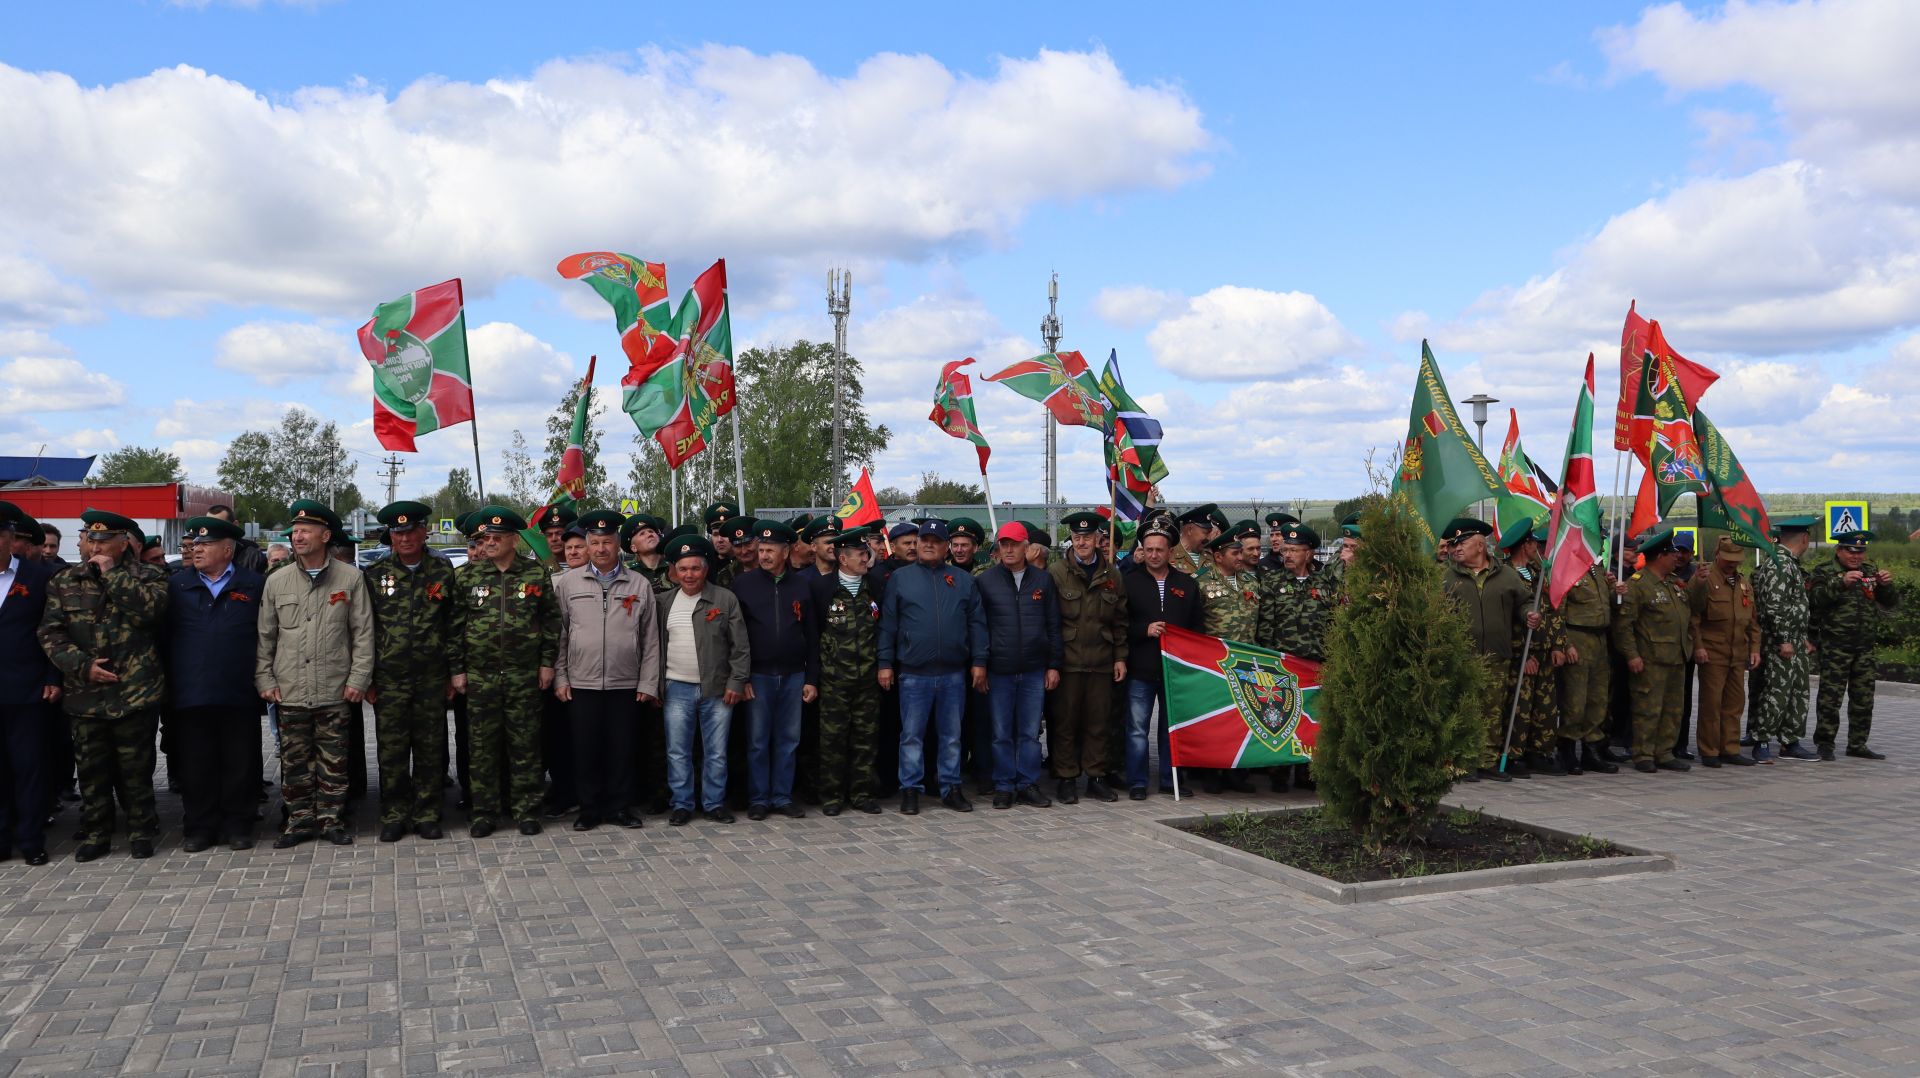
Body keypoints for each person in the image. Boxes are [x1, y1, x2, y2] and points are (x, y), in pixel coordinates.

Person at [38, 510, 170, 861]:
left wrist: (112, 576)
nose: (94, 545)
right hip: (85, 694)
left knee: (136, 769)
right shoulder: (64, 581)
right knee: (91, 770)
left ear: (123, 543)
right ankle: (97, 833)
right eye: (90, 538)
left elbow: (149, 613)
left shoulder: (151, 575)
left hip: (134, 691)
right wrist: (82, 667)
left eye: (103, 539)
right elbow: (50, 632)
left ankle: (141, 830)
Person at [257, 500, 374, 846]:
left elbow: (363, 633)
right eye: (295, 530)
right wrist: (264, 679)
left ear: (326, 535)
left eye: (306, 530)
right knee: (294, 761)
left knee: (334, 761)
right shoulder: (277, 582)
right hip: (290, 688)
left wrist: (358, 679)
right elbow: (265, 635)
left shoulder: (350, 578)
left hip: (334, 687)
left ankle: (331, 821)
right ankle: (299, 822)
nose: (298, 536)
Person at [453, 505, 560, 837]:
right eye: (486, 538)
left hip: (523, 674)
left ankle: (526, 809)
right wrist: (457, 670)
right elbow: (455, 627)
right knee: (482, 746)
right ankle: (484, 812)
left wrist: (546, 662)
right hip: (481, 676)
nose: (489, 544)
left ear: (514, 539)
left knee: (525, 744)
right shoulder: (468, 577)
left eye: (497, 538)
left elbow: (551, 621)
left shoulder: (534, 574)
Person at [164, 515, 267, 851]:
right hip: (191, 690)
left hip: (238, 689)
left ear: (227, 549)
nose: (197, 549)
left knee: (241, 763)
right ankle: (200, 827)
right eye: (195, 544)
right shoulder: (177, 585)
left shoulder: (253, 584)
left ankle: (239, 824)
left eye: (205, 544)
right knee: (196, 765)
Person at [553, 509, 660, 830]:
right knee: (585, 750)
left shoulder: (639, 584)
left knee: (622, 749)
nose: (601, 549)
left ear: (619, 545)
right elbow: (559, 634)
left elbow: (651, 639)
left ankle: (620, 807)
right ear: (587, 545)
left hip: (625, 683)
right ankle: (590, 809)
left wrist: (648, 682)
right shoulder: (569, 583)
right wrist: (561, 675)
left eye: (607, 542)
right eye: (595, 543)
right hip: (581, 682)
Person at [364, 500, 459, 842]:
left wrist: (452, 673)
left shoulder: (442, 570)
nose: (404, 539)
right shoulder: (375, 575)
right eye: (397, 532)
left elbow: (453, 624)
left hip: (432, 676)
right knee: (391, 751)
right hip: (390, 678)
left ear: (424, 531)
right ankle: (393, 814)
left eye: (410, 531)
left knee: (431, 748)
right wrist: (369, 679)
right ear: (390, 536)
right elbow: (366, 630)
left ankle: (428, 814)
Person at [878, 521, 988, 815]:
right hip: (914, 673)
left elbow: (977, 624)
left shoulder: (963, 581)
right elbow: (888, 624)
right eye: (923, 539)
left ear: (946, 546)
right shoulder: (901, 579)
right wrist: (885, 663)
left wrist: (979, 661)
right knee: (911, 735)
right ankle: (911, 789)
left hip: (953, 673)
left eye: (935, 540)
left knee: (952, 735)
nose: (927, 544)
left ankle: (951, 786)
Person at [656, 534, 749, 825]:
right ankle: (682, 803)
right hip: (676, 688)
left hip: (718, 690)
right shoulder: (663, 602)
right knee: (677, 751)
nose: (689, 575)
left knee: (716, 752)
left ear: (705, 569)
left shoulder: (724, 599)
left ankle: (713, 803)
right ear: (674, 571)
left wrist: (737, 682)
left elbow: (740, 647)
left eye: (695, 568)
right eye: (683, 569)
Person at [729, 520, 820, 820]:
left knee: (788, 739)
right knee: (757, 741)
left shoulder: (802, 584)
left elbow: (812, 635)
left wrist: (811, 679)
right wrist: (741, 677)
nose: (764, 555)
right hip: (758, 676)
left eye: (770, 550)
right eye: (761, 549)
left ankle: (782, 796)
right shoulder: (743, 585)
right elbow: (734, 637)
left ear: (786, 551)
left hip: (794, 675)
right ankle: (759, 798)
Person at [1440, 517, 1540, 782]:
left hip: (1497, 656)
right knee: (1464, 710)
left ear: (1480, 545)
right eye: (1453, 544)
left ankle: (1488, 761)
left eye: (1462, 542)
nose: (1456, 548)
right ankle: (1464, 763)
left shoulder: (1506, 575)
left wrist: (1530, 614)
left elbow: (1524, 602)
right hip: (1462, 658)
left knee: (1493, 710)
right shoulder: (1447, 577)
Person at [975, 522, 1062, 810]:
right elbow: (979, 627)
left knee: (1029, 733)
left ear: (1028, 547)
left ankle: (1027, 783)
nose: (1008, 549)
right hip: (999, 670)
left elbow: (1053, 625)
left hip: (1034, 669)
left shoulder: (1043, 580)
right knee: (1000, 732)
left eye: (1014, 544)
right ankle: (1004, 785)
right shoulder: (985, 581)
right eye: (1003, 544)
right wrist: (981, 664)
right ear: (998, 548)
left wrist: (1053, 665)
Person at [1047, 511, 1128, 805]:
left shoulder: (1112, 575)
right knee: (1066, 722)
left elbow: (1120, 621)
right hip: (1068, 662)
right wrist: (1052, 663)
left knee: (1099, 722)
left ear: (1098, 539)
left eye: (1088, 537)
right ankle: (1066, 778)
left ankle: (1096, 776)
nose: (1082, 542)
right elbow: (1050, 622)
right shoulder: (1056, 573)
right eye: (1077, 537)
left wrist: (1120, 657)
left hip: (1101, 661)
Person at [1120, 517, 1204, 798]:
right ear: (1142, 550)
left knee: (1173, 729)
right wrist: (1143, 629)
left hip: (1175, 672)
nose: (1154, 554)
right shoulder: (1128, 582)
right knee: (1136, 730)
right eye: (1149, 549)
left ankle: (1171, 779)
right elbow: (1117, 625)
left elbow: (1197, 628)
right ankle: (1138, 782)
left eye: (1160, 549)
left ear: (1170, 551)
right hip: (1140, 668)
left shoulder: (1187, 584)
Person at [0, 502, 59, 865]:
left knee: (29, 767)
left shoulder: (37, 578)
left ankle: (31, 838)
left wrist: (53, 676)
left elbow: (52, 631)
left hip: (27, 688)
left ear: (8, 539)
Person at [1808, 529, 1900, 760]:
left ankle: (1858, 744)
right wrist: (1840, 583)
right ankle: (1825, 743)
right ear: (1839, 550)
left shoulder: (1869, 572)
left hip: (1864, 646)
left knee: (1863, 698)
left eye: (1860, 552)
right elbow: (1814, 600)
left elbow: (1889, 604)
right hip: (1835, 646)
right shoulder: (1824, 571)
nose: (1857, 557)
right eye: (1851, 551)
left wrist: (1886, 586)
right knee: (1831, 698)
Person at [811, 526, 885, 815]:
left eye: (866, 553)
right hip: (834, 680)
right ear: (843, 559)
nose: (866, 558)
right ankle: (831, 796)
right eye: (860, 554)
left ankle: (862, 793)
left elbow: (884, 627)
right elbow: (815, 632)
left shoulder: (875, 585)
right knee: (832, 740)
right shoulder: (823, 588)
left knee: (865, 739)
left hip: (868, 678)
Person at [1613, 524, 1692, 774]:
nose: (1677, 558)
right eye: (1672, 554)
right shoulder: (1638, 584)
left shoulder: (1672, 583)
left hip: (1676, 657)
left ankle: (1664, 752)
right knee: (1648, 708)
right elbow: (1624, 625)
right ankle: (1644, 753)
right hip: (1650, 659)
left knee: (1673, 709)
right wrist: (1632, 655)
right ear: (1660, 556)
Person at [1499, 520, 1566, 777]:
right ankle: (1514, 754)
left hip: (1543, 650)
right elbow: (1506, 619)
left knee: (1546, 708)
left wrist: (1556, 644)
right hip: (1521, 653)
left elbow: (1553, 610)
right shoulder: (1505, 575)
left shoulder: (1539, 574)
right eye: (1533, 543)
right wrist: (1521, 655)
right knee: (1520, 708)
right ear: (1524, 546)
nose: (1537, 547)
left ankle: (1539, 752)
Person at [1688, 536, 1762, 768]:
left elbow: (1752, 620)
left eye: (1736, 560)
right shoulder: (1704, 578)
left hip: (1737, 653)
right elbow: (1694, 616)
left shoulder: (1743, 583)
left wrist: (1755, 648)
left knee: (1734, 704)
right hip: (1713, 652)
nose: (1732, 563)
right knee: (1711, 704)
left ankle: (1730, 748)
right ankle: (1709, 750)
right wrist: (1698, 646)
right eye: (1728, 559)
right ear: (1717, 554)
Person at [1752, 515, 1819, 762]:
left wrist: (1800, 637)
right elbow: (1774, 606)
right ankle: (1761, 740)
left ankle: (1790, 741)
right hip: (1781, 643)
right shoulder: (1779, 564)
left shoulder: (1789, 564)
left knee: (1798, 692)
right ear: (1804, 539)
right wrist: (1784, 640)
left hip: (1794, 639)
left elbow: (1792, 606)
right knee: (1777, 691)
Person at [1556, 552, 1621, 775]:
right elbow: (1559, 610)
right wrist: (1565, 644)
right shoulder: (1568, 568)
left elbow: (1602, 605)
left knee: (1598, 698)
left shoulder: (1598, 569)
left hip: (1600, 639)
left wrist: (1615, 592)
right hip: (1578, 637)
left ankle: (1592, 749)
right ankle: (1567, 750)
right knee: (1576, 700)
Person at [207, 504, 269, 574]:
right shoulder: (200, 553)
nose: (214, 531)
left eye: (220, 526)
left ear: (235, 525)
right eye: (210, 526)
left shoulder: (252, 556)